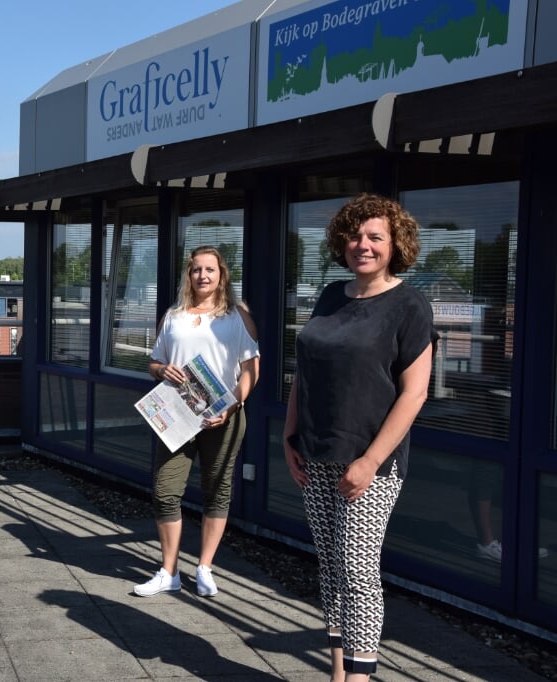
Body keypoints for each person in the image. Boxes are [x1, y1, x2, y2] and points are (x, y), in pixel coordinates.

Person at [283, 194, 436, 682]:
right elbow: (304, 373)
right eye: (354, 236)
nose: (362, 245)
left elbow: (414, 395)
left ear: (396, 245)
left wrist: (370, 460)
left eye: (375, 237)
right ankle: (337, 671)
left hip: (370, 462)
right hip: (315, 452)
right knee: (330, 566)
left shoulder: (410, 305)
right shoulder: (331, 295)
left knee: (358, 570)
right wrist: (290, 436)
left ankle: (361, 677)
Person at [134, 245, 260, 598]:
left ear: (221, 275)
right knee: (164, 491)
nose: (202, 276)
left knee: (216, 490)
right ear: (187, 275)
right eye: (196, 270)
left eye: (210, 270)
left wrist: (233, 406)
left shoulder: (237, 316)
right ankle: (169, 571)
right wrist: (162, 369)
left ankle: (204, 567)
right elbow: (154, 363)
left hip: (222, 417)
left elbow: (251, 369)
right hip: (176, 417)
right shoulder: (173, 315)